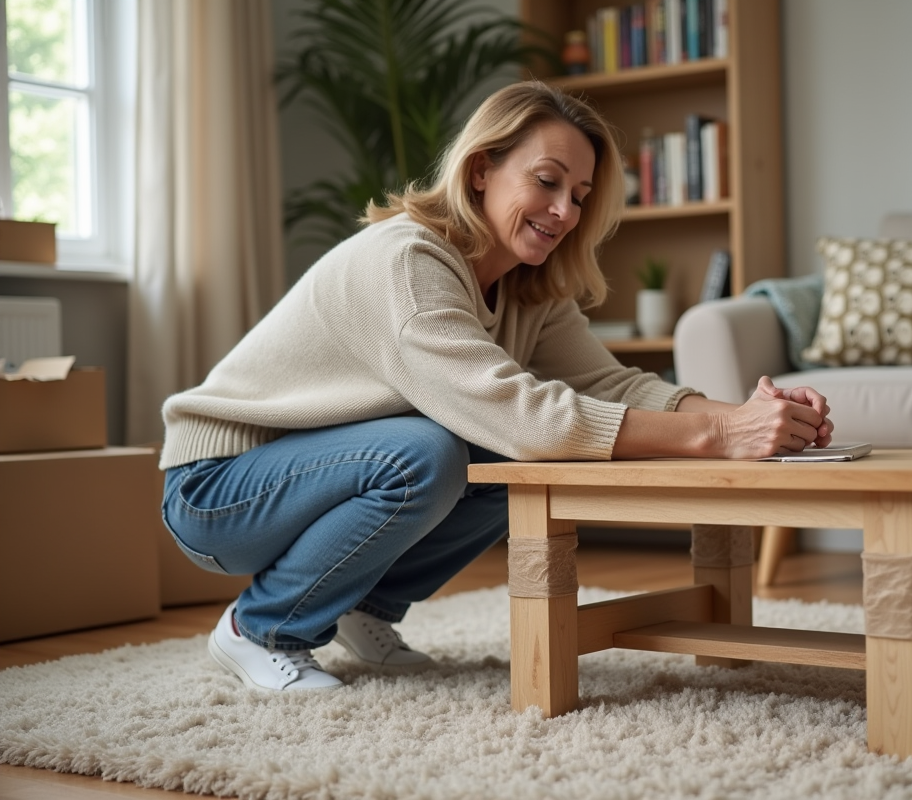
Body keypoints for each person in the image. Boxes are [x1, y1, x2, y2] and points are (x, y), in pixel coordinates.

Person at [159, 80, 833, 693]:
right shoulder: (408, 262)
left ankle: (365, 606)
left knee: (498, 456)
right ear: (481, 169)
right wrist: (718, 435)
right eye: (546, 181)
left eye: (580, 195)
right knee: (430, 452)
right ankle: (261, 629)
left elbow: (610, 382)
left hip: (321, 473)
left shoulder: (529, 285)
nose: (564, 210)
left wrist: (751, 414)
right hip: (219, 489)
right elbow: (522, 417)